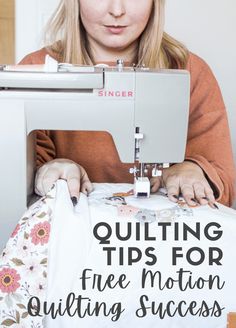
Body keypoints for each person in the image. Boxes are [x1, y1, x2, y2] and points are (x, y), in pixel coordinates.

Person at [20, 0, 235, 208]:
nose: (117, 10)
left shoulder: (190, 72)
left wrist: (195, 171)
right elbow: (16, 180)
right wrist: (46, 171)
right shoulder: (35, 72)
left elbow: (224, 183)